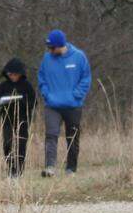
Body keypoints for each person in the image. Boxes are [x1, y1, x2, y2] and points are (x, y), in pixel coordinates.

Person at [36, 29, 91, 176]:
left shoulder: (79, 57)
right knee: (51, 135)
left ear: (61, 45)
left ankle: (70, 169)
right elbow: (41, 78)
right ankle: (50, 168)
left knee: (72, 137)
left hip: (73, 105)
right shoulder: (47, 59)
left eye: (52, 47)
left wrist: (77, 95)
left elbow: (86, 78)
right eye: (49, 48)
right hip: (52, 105)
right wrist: (46, 94)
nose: (50, 50)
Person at [0, 58, 36, 176]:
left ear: (20, 74)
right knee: (7, 143)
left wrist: (21, 100)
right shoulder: (3, 86)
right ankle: (11, 167)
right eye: (10, 74)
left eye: (15, 74)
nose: (12, 76)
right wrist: (7, 99)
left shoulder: (27, 85)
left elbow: (34, 102)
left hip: (23, 119)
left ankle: (19, 169)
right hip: (7, 119)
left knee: (21, 143)